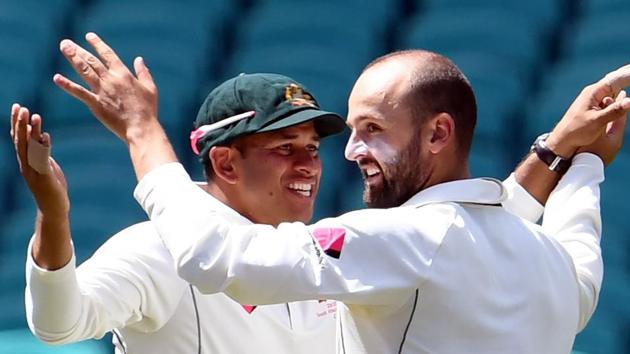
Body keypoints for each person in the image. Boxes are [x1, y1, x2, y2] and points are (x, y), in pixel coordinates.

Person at [46, 34, 629, 353]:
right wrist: (573, 165)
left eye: (371, 129)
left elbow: (214, 256)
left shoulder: (392, 242)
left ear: (438, 134)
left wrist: (144, 135)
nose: (347, 153)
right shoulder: (555, 267)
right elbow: (506, 231)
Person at [13, 70, 347, 353]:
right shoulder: (155, 248)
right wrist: (53, 215)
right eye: (286, 147)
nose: (309, 166)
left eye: (313, 149)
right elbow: (58, 324)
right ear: (225, 163)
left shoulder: (324, 253)